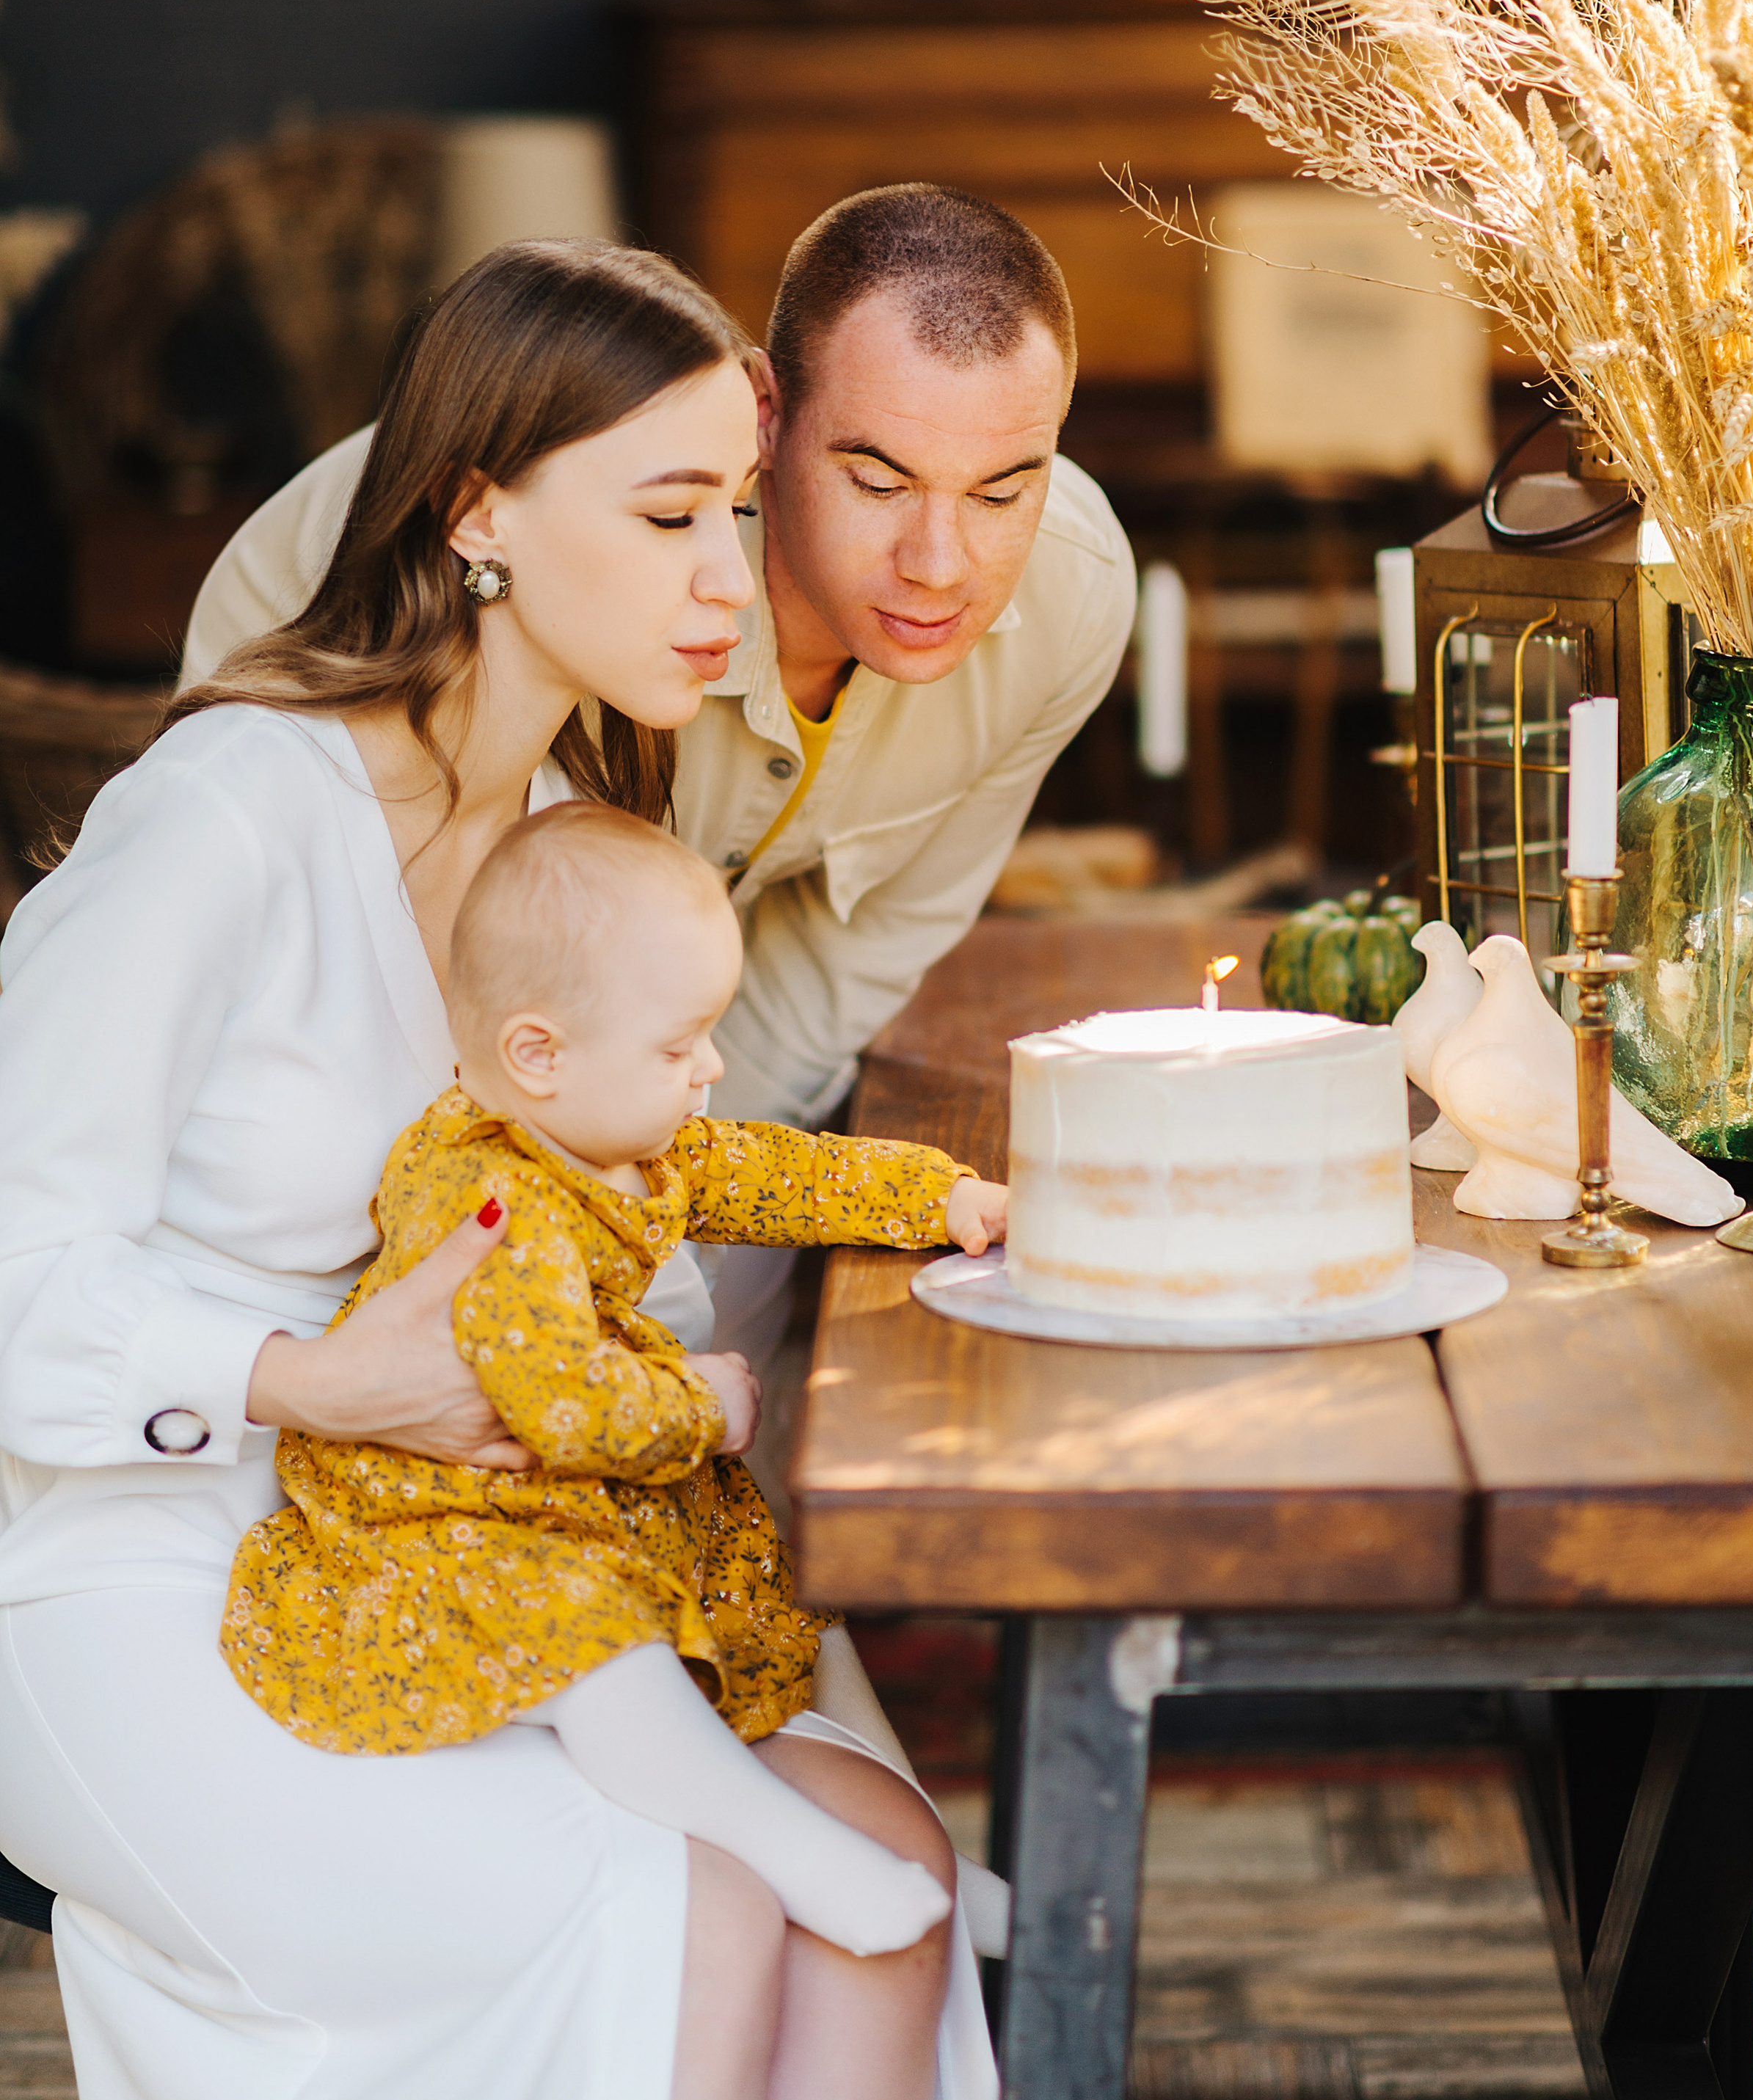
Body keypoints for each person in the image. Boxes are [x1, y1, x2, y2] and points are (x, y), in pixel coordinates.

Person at [0, 241, 994, 2100]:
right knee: (686, 1910)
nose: (732, 579)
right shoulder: (227, 813)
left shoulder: (567, 847)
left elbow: (633, 1238)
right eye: (671, 514)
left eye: (739, 513)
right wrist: (300, 1379)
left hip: (476, 1545)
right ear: (480, 514)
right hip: (132, 1572)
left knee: (893, 1875)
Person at [181, 181, 1137, 1379]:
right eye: (879, 483)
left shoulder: (1078, 590)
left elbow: (861, 954)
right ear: (765, 413)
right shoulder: (562, 581)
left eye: (1004, 491)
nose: (941, 565)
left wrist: (682, 1208)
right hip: (371, 1084)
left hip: (698, 1105)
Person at [223, 799, 1006, 1963]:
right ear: (538, 1052)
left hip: (555, 1490)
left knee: (778, 1596)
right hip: (441, 1517)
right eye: (681, 1044)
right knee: (599, 1641)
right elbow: (556, 1405)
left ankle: (919, 1835)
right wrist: (707, 1405)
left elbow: (770, 1170)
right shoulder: (491, 1200)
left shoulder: (609, 1133)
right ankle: (787, 1847)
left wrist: (935, 1197)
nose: (713, 1068)